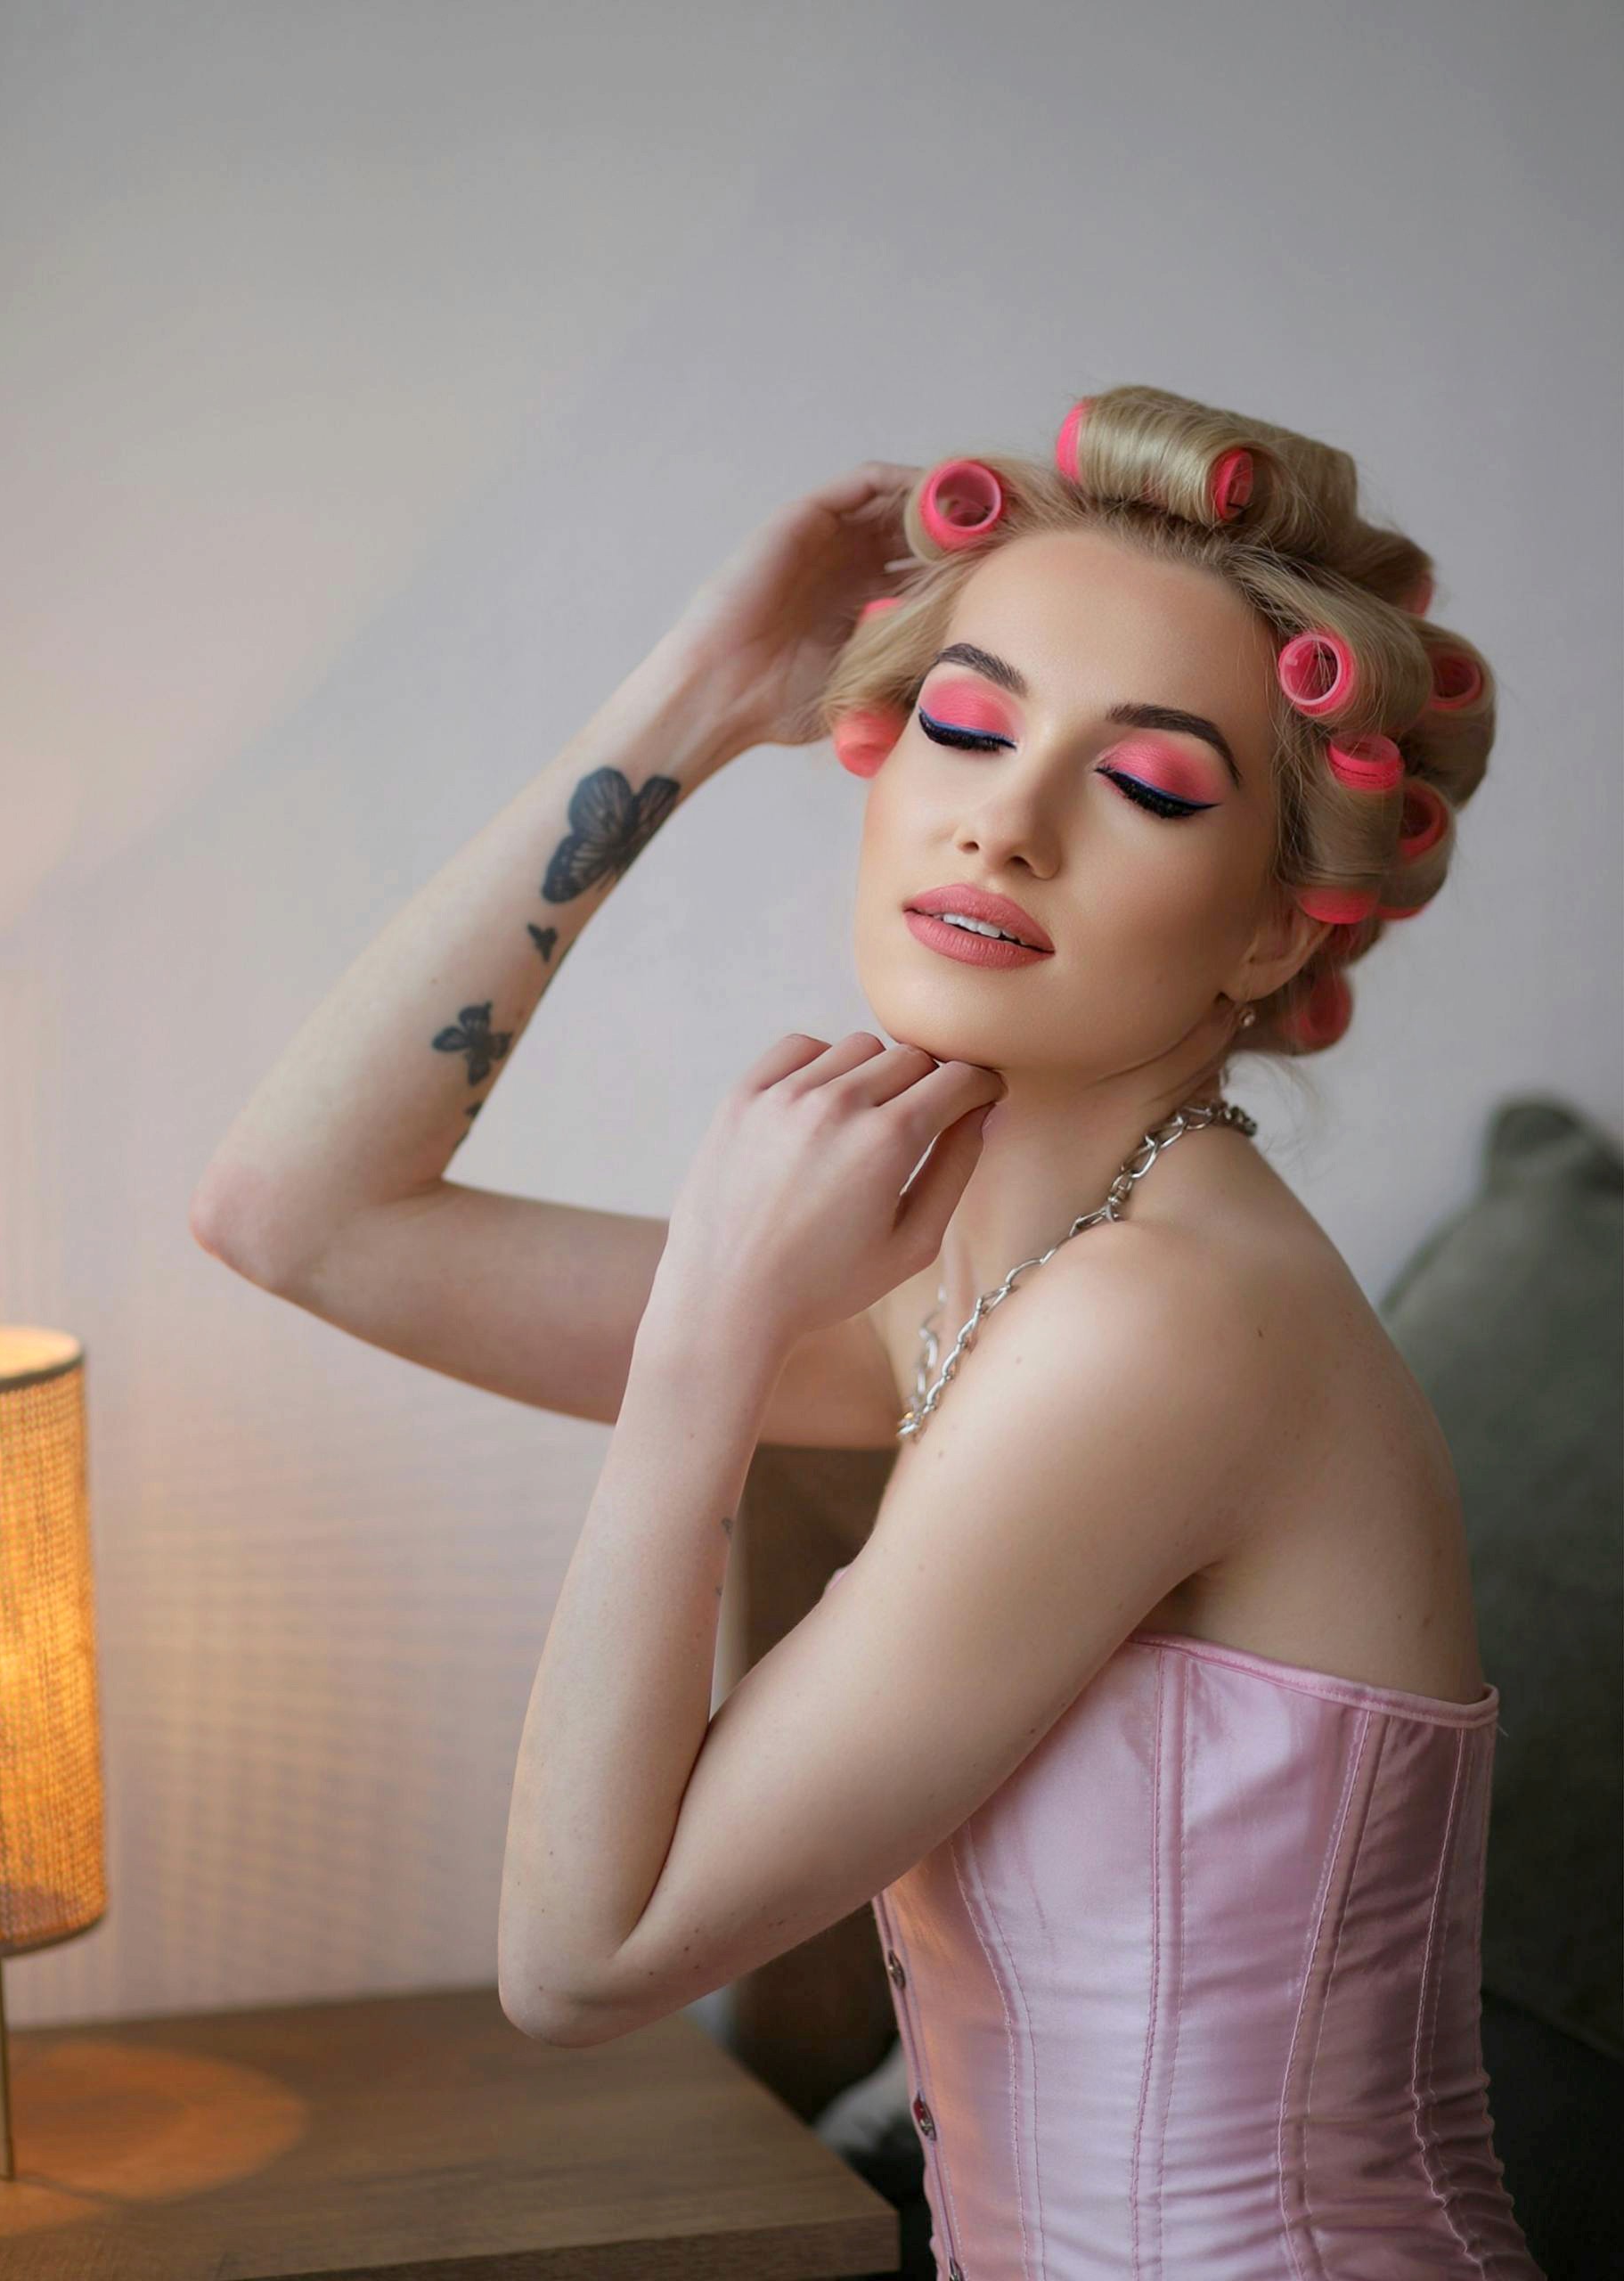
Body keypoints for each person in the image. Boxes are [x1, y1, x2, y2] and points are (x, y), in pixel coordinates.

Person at [191, 382, 1543, 2277]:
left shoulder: (1164, 1325)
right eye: (969, 723)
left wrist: (709, 1347)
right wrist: (687, 702)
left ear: (1269, 935)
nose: (1004, 818)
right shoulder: (1000, 1273)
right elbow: (293, 1215)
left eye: (1150, 784)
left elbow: (584, 1962)